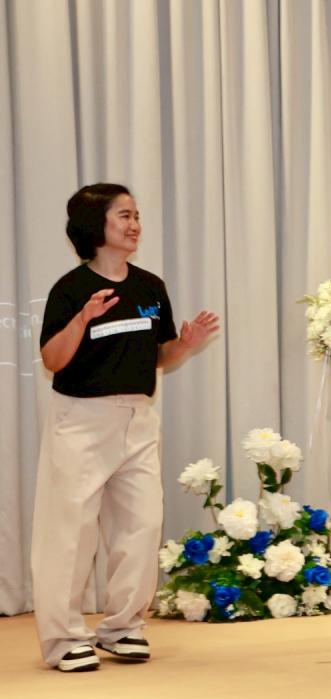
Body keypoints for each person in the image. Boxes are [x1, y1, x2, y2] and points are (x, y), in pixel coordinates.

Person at [33, 184, 219, 671]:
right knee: (69, 533)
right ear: (95, 225)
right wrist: (84, 318)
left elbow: (157, 355)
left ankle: (123, 628)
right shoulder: (71, 288)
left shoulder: (150, 287)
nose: (135, 225)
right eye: (123, 216)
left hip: (138, 417)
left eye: (136, 215)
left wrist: (186, 344)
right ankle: (63, 639)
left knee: (141, 524)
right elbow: (52, 359)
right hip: (81, 420)